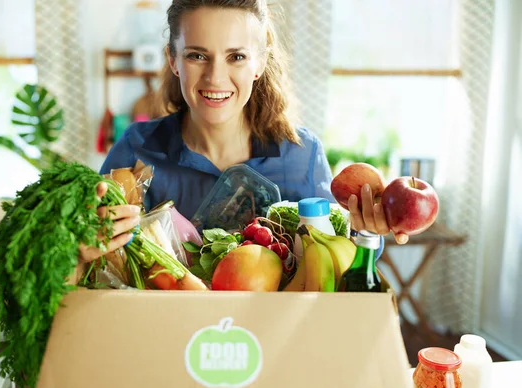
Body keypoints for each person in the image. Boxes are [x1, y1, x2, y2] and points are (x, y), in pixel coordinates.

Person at [78, 0, 408, 265]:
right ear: (173, 60)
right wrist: (92, 241)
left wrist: (366, 234)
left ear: (260, 63)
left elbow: (336, 266)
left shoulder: (301, 154)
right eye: (197, 55)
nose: (215, 78)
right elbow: (105, 262)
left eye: (236, 57)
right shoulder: (136, 150)